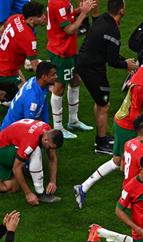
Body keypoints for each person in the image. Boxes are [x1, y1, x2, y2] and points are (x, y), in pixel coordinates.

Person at [73, 47, 143, 205]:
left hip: (128, 123)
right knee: (122, 161)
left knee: (122, 161)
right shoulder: (140, 87)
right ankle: (87, 188)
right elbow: (134, 116)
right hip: (128, 126)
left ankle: (84, 187)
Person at [76, 0, 138, 153]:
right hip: (92, 69)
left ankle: (102, 137)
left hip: (87, 64)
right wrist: (127, 65)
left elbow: (110, 55)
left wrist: (123, 61)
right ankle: (101, 144)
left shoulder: (103, 19)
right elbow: (112, 60)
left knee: (100, 102)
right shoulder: (112, 30)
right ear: (121, 11)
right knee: (104, 105)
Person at [46, 0, 95, 138]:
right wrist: (84, 13)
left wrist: (80, 10)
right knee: (59, 86)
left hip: (68, 49)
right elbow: (69, 29)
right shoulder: (58, 2)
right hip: (62, 51)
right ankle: (58, 127)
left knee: (75, 80)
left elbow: (68, 15)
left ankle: (73, 121)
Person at [0, 1, 47, 87]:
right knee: (23, 96)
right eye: (40, 16)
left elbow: (0, 32)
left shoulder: (15, 17)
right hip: (5, 72)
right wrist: (46, 84)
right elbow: (35, 66)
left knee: (23, 84)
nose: (44, 17)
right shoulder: (29, 38)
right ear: (31, 19)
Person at [1, 61, 57, 130]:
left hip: (16, 124)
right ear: (44, 77)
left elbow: (44, 106)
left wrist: (46, 126)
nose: (56, 76)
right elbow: (29, 127)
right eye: (53, 75)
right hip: (12, 132)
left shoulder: (37, 81)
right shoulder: (32, 99)